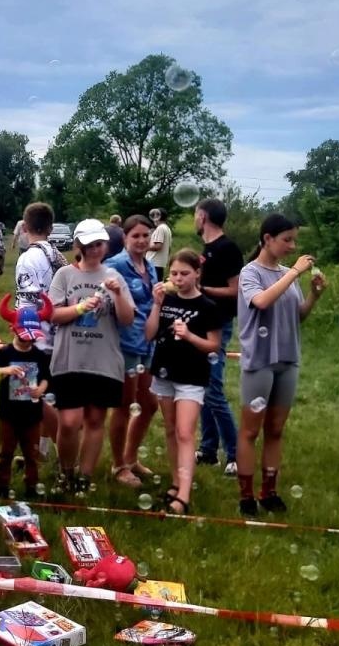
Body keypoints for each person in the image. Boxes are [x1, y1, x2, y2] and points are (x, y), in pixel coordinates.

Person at [235, 214, 326, 516]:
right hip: (260, 360)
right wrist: (295, 273)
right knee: (250, 431)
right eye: (287, 239)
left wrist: (313, 294)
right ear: (267, 239)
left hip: (288, 360)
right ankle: (246, 496)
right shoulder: (250, 272)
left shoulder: (289, 273)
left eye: (294, 239)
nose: (292, 245)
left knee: (275, 429)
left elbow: (297, 316)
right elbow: (261, 302)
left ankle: (269, 492)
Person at [48, 219, 135, 496]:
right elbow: (52, 315)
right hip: (69, 359)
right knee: (70, 422)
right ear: (79, 246)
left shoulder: (114, 276)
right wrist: (81, 307)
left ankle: (84, 478)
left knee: (96, 420)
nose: (97, 249)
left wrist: (119, 293)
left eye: (100, 244)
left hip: (104, 361)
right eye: (91, 245)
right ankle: (66, 472)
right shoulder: (64, 275)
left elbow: (127, 319)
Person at [144, 250, 222, 514]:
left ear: (197, 274)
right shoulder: (165, 300)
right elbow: (149, 334)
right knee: (170, 429)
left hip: (192, 375)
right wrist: (156, 304)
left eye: (185, 274)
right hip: (164, 371)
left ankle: (184, 496)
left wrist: (189, 336)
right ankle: (176, 482)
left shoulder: (208, 307)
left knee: (185, 432)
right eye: (174, 273)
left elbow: (214, 345)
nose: (178, 279)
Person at [106, 215, 159, 488]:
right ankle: (119, 466)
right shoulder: (114, 266)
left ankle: (131, 456)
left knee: (149, 404)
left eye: (145, 236)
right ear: (125, 238)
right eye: (136, 236)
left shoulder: (150, 268)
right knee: (125, 406)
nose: (141, 241)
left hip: (148, 343)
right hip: (124, 344)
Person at [194, 198, 243, 476]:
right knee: (202, 388)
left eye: (195, 214)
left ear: (203, 216)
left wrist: (204, 289)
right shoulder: (208, 248)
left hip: (219, 323)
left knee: (213, 389)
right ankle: (209, 449)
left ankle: (234, 454)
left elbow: (236, 290)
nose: (194, 219)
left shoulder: (227, 248)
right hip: (203, 322)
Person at [14, 201, 66, 457]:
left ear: (24, 227)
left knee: (28, 396)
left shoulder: (28, 258)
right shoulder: (58, 255)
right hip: (58, 336)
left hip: (35, 336)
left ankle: (62, 451)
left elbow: (28, 302)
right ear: (51, 228)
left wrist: (22, 338)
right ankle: (41, 450)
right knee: (50, 394)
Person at [0, 298, 52, 498]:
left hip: (32, 416)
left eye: (32, 338)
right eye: (24, 337)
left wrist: (41, 389)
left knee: (31, 454)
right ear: (12, 329)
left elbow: (47, 378)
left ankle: (32, 487)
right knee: (5, 452)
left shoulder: (40, 355)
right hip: (8, 414)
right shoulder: (5, 353)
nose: (28, 341)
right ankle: (2, 485)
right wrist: (3, 371)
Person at [148, 208, 172, 275]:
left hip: (154, 262)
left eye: (155, 215)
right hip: (159, 263)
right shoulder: (167, 228)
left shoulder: (160, 228)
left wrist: (144, 248)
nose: (154, 217)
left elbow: (158, 246)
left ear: (158, 217)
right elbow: (168, 248)